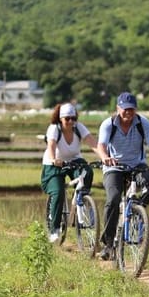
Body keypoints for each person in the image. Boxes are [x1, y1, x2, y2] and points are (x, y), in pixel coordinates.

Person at [95, 92, 149, 259]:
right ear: (118, 108)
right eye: (125, 109)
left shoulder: (142, 123)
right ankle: (108, 244)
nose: (128, 113)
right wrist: (105, 158)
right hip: (114, 167)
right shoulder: (108, 124)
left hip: (137, 165)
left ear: (135, 110)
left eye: (131, 109)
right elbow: (101, 145)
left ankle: (138, 209)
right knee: (113, 198)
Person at [41, 103, 100, 242]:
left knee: (88, 172)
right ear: (61, 119)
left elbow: (92, 143)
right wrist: (54, 159)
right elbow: (51, 145)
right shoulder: (54, 129)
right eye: (67, 119)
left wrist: (104, 158)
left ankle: (81, 199)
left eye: (73, 118)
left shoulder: (78, 128)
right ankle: (54, 229)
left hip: (74, 160)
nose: (70, 122)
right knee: (58, 191)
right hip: (54, 163)